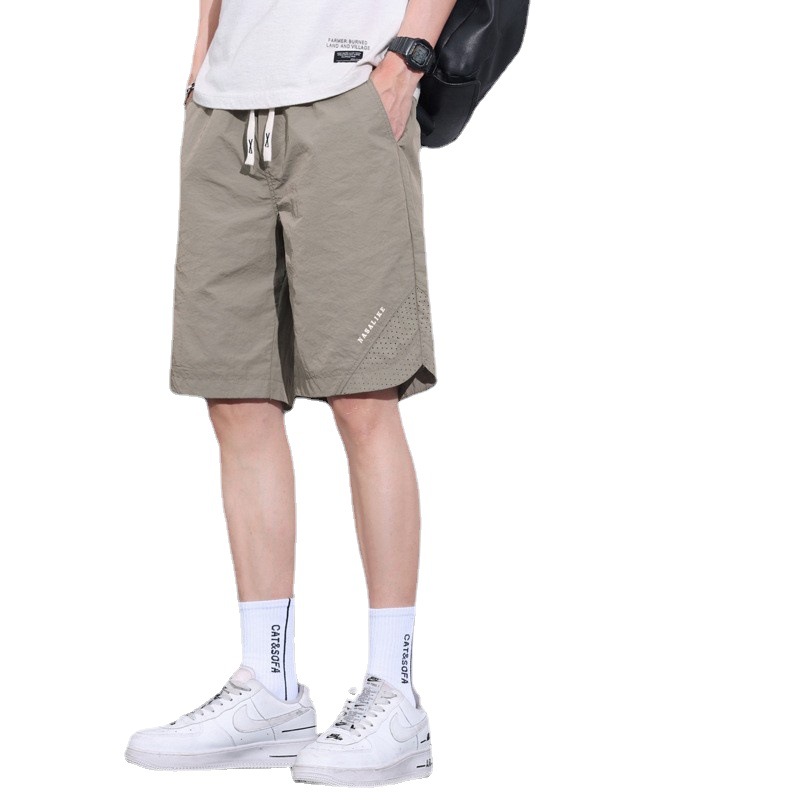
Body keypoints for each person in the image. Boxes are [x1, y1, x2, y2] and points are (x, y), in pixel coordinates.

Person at [125, 0, 457, 787]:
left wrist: (407, 59)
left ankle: (395, 695)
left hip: (348, 97)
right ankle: (269, 688)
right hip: (224, 110)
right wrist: (201, 64)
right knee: (235, 398)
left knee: (363, 397)